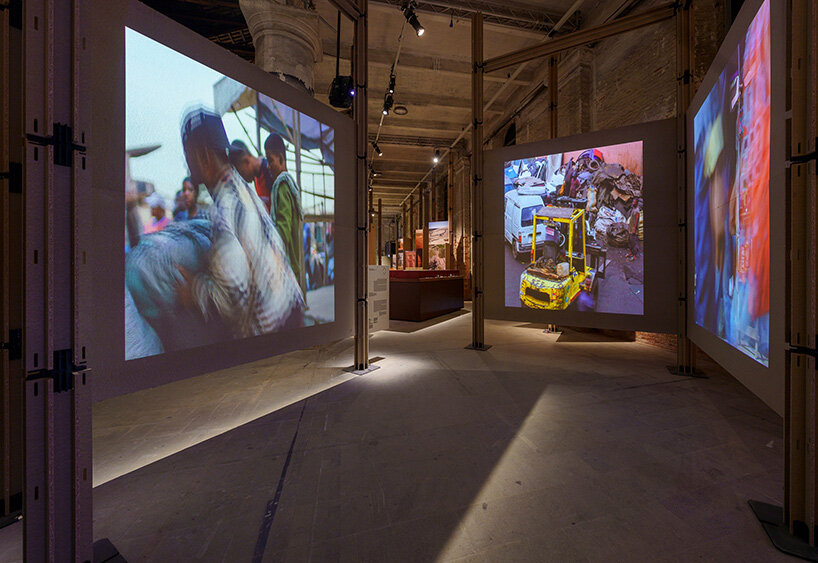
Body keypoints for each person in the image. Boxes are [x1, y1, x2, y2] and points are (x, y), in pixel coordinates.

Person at [179, 108, 303, 337]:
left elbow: (234, 296)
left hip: (273, 331)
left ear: (202, 155)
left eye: (187, 154)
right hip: (291, 310)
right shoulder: (241, 188)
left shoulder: (224, 211)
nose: (186, 163)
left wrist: (195, 292)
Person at [264, 133, 305, 298]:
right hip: (293, 267)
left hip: (286, 269)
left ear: (281, 159)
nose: (268, 166)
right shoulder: (291, 185)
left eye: (270, 160)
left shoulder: (282, 186)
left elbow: (283, 229)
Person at [228, 140, 274, 213]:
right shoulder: (256, 177)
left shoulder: (269, 172)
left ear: (246, 161)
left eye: (241, 173)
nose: (243, 178)